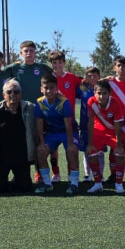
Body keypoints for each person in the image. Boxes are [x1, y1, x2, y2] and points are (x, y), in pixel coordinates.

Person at [0, 78, 37, 194]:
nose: (13, 95)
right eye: (9, 92)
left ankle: (18, 179)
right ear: (3, 94)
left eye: (16, 92)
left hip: (21, 157)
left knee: (25, 188)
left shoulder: (30, 108)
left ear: (20, 94)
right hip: (1, 158)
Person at [33, 74, 80, 195]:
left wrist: (70, 143)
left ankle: (74, 183)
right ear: (41, 89)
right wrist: (42, 143)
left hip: (68, 132)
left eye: (52, 88)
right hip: (52, 133)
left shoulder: (64, 102)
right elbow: (39, 124)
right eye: (46, 88)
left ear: (56, 88)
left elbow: (68, 124)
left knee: (72, 151)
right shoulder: (39, 103)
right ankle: (47, 184)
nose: (49, 91)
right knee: (40, 151)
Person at [84, 79, 125, 194]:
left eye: (104, 93)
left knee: (119, 154)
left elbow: (117, 125)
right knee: (91, 153)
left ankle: (118, 183)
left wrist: (118, 145)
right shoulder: (91, 102)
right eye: (99, 93)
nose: (101, 96)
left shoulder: (115, 103)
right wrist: (90, 143)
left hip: (113, 131)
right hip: (98, 131)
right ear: (94, 93)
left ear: (110, 93)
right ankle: (98, 183)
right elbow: (90, 123)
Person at [47, 50, 83, 182]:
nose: (57, 65)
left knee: (71, 149)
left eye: (60, 62)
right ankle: (55, 173)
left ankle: (70, 173)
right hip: (52, 122)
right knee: (53, 150)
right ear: (51, 64)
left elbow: (87, 81)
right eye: (54, 63)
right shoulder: (47, 78)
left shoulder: (72, 77)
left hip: (70, 121)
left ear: (64, 63)